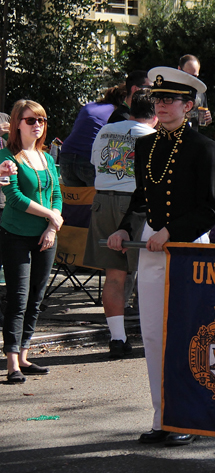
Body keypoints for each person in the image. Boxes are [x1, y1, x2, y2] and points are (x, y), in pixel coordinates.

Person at [107, 67, 215, 446]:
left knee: (187, 334)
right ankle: (163, 417)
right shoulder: (145, 145)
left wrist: (171, 233)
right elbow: (141, 199)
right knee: (154, 333)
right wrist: (125, 228)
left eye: (170, 100)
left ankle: (188, 416)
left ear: (188, 106)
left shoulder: (203, 148)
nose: (162, 105)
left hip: (187, 249)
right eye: (157, 99)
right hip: (151, 247)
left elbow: (213, 209)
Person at [84, 91, 157, 359]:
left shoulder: (106, 131)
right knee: (147, 272)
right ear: (156, 115)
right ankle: (152, 335)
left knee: (114, 275)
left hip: (102, 201)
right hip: (134, 205)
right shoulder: (150, 136)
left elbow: (96, 163)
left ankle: (117, 337)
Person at [1, 100, 62, 384]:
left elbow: (58, 194)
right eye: (30, 120)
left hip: (46, 236)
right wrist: (50, 214)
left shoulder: (47, 158)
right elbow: (14, 198)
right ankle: (11, 361)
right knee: (18, 298)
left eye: (42, 120)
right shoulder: (7, 157)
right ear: (17, 124)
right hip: (16, 235)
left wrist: (52, 225)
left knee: (36, 298)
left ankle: (24, 356)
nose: (37, 125)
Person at [59, 85, 127, 187]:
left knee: (76, 200)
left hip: (66, 154)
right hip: (88, 157)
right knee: (96, 199)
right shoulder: (117, 113)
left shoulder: (89, 106)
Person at [178, 55, 212, 128]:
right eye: (188, 75)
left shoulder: (200, 91)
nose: (192, 79)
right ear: (179, 69)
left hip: (192, 136)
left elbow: (202, 120)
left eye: (195, 76)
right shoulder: (170, 90)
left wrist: (207, 119)